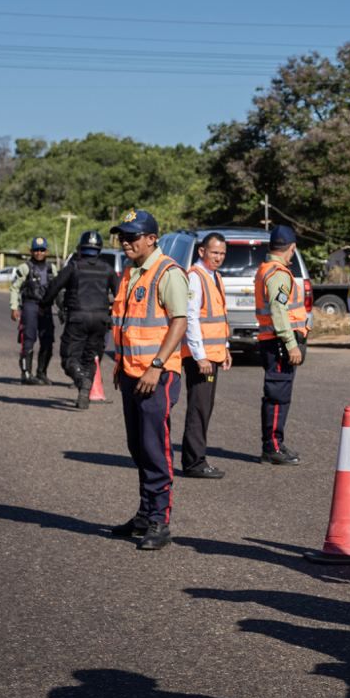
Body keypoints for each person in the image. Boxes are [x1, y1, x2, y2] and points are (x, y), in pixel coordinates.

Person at [107, 210, 189, 551]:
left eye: (133, 236)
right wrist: (119, 365)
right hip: (130, 373)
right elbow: (128, 323)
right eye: (123, 236)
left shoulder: (168, 272)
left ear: (152, 238)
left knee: (155, 447)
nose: (126, 242)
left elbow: (179, 323)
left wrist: (156, 365)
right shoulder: (131, 272)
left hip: (156, 374)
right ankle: (144, 513)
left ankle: (159, 520)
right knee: (138, 446)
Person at [41, 230, 119, 409]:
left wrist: (44, 304)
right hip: (101, 320)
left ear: (81, 249)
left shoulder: (74, 267)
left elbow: (54, 287)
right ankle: (84, 393)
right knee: (91, 357)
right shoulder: (108, 269)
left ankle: (82, 380)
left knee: (69, 357)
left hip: (78, 318)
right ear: (99, 249)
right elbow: (120, 294)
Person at [255, 225, 308, 466]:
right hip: (279, 343)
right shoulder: (277, 273)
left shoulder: (267, 269)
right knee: (278, 395)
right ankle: (272, 446)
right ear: (292, 248)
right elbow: (279, 310)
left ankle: (274, 443)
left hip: (274, 341)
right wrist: (291, 344)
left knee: (278, 394)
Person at [180, 232, 232, 479]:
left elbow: (218, 317)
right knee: (198, 408)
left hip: (213, 354)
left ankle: (196, 458)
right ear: (202, 252)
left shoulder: (215, 277)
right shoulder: (195, 277)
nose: (219, 258)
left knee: (205, 407)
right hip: (199, 357)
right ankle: (194, 462)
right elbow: (190, 318)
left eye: (222, 253)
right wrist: (200, 356)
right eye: (214, 253)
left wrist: (225, 348)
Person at [9, 236, 58, 386]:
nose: (39, 253)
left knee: (48, 341)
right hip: (30, 306)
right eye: (36, 250)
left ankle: (42, 373)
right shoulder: (25, 268)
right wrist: (14, 307)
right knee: (28, 339)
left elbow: (57, 288)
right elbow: (15, 288)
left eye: (42, 250)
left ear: (46, 251)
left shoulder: (52, 268)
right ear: (31, 251)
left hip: (46, 307)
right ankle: (26, 374)